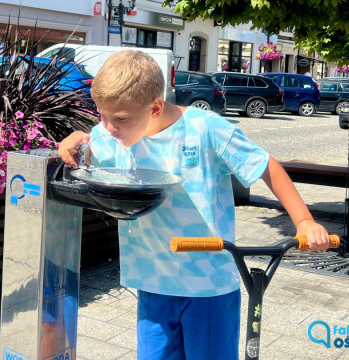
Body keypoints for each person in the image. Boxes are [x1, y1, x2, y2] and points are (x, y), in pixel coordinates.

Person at [58, 50, 331, 360]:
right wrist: (77, 142)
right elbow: (89, 155)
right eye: (101, 115)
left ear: (155, 107)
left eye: (118, 118)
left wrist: (305, 222)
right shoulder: (112, 134)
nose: (107, 126)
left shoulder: (204, 129)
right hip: (152, 281)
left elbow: (264, 165)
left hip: (208, 285)